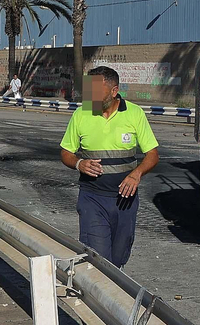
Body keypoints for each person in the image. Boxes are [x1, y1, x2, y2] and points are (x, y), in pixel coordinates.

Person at [58, 66, 159, 267]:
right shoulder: (81, 114)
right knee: (98, 257)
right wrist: (79, 163)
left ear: (114, 91)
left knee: (118, 257)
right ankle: (99, 295)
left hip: (125, 201)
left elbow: (153, 155)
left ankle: (115, 292)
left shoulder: (134, 114)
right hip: (92, 198)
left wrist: (136, 174)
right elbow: (65, 153)